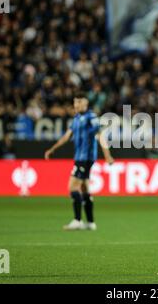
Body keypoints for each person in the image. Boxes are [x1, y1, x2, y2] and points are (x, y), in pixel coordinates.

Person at [44, 92, 114, 231]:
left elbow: (100, 136)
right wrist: (53, 149)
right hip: (79, 158)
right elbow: (66, 136)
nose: (76, 105)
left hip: (85, 158)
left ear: (86, 103)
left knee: (72, 188)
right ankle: (90, 222)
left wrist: (107, 155)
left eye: (79, 102)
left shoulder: (91, 117)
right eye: (75, 102)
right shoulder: (76, 118)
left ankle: (77, 220)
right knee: (84, 188)